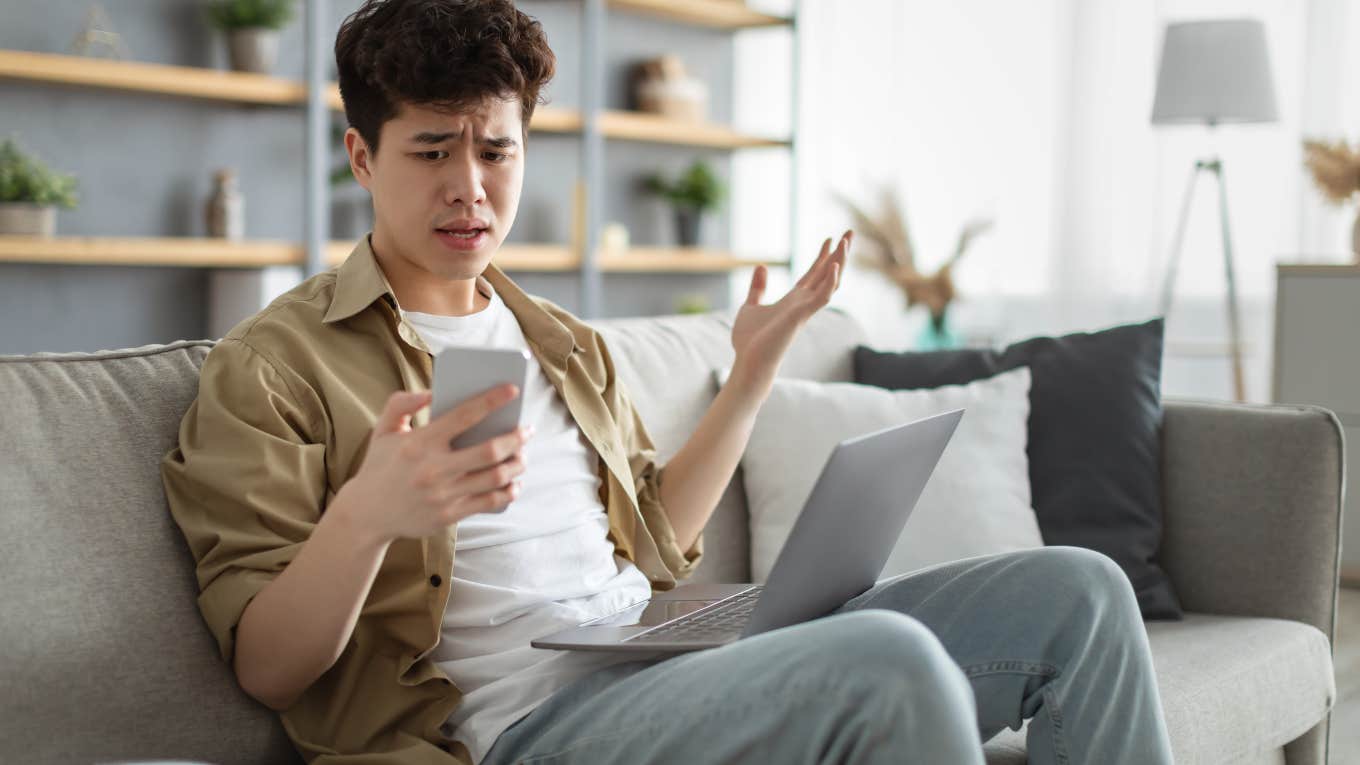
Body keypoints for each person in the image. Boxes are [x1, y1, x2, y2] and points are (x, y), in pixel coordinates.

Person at [161, 1, 1175, 763]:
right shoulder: (273, 367)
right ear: (360, 157)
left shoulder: (561, 341)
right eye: (431, 150)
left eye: (495, 150)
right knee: (888, 660)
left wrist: (750, 375)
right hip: (521, 732)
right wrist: (367, 515)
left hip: (650, 664)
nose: (469, 185)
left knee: (1077, 592)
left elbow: (650, 548)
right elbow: (267, 667)